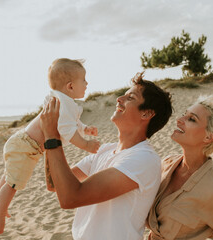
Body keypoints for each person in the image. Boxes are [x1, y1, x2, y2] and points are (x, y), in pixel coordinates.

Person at [40, 72, 173, 240]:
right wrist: (54, 132)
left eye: (130, 97)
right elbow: (54, 184)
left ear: (146, 114)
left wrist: (51, 136)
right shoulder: (105, 151)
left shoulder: (144, 159)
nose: (119, 98)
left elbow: (70, 198)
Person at [0, 58, 100, 234]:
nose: (87, 83)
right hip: (27, 146)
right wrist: (86, 144)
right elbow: (67, 130)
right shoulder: (63, 103)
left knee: (10, 176)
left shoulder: (63, 101)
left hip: (24, 144)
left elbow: (72, 123)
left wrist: (85, 128)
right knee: (14, 182)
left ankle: (0, 201)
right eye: (84, 80)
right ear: (70, 86)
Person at [146, 95, 213, 240]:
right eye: (184, 114)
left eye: (191, 119)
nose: (179, 120)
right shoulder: (167, 164)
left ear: (208, 137)